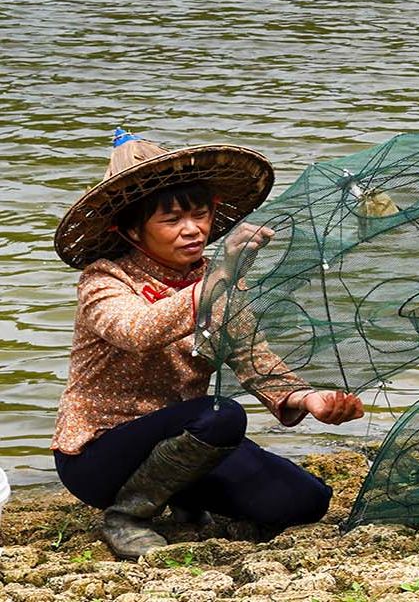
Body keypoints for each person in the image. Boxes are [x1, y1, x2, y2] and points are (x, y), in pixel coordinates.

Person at [52, 130, 365, 559]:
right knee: (221, 415)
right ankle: (126, 515)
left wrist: (310, 399)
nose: (192, 230)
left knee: (306, 500)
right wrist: (218, 278)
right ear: (130, 231)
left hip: (190, 447)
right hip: (101, 456)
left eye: (199, 215)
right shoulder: (104, 278)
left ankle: (184, 499)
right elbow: (136, 331)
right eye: (171, 221)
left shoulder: (218, 283)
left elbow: (253, 360)